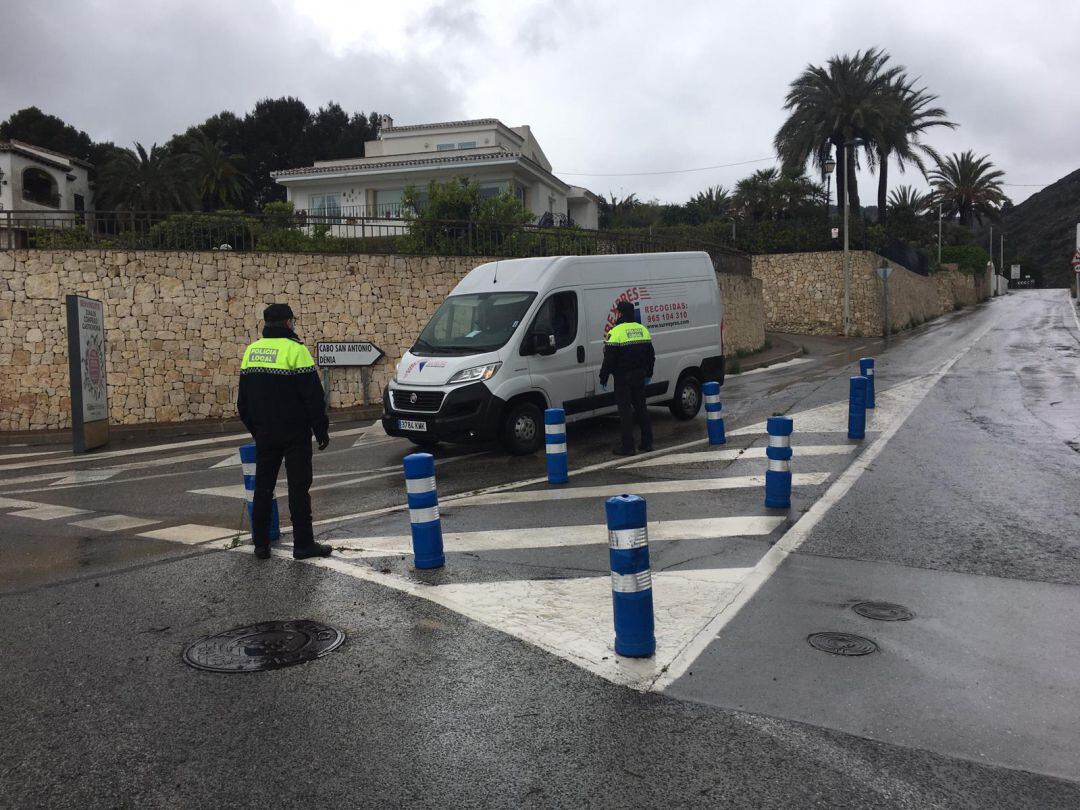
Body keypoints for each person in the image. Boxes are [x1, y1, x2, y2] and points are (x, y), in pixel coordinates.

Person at [237, 303, 332, 560]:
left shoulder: (251, 352)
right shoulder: (296, 351)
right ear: (289, 323)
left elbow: (242, 403)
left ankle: (261, 545)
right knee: (298, 489)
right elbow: (313, 397)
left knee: (263, 488)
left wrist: (257, 430)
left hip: (265, 433)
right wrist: (320, 430)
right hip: (295, 434)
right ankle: (303, 544)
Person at [599, 300, 655, 456]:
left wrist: (603, 378)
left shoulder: (616, 332)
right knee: (642, 409)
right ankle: (647, 443)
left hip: (623, 378)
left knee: (625, 413)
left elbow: (609, 359)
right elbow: (651, 356)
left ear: (620, 313)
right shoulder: (642, 329)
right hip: (640, 375)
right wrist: (649, 374)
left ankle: (628, 447)